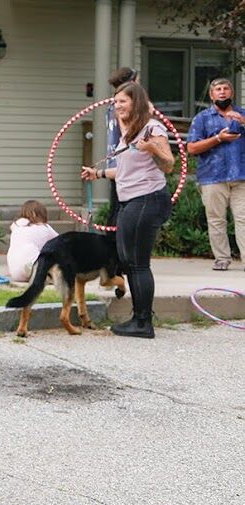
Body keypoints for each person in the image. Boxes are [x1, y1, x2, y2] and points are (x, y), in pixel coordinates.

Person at [82, 81, 175, 338]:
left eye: (122, 100)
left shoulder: (152, 128)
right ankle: (139, 318)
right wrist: (98, 173)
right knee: (129, 260)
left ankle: (143, 322)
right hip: (133, 200)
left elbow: (168, 164)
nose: (117, 105)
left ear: (136, 102)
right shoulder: (129, 133)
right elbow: (125, 171)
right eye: (115, 101)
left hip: (147, 199)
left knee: (137, 263)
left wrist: (152, 147)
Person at [186, 77, 245, 270]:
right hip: (212, 176)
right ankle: (222, 259)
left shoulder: (243, 114)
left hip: (241, 176)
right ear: (212, 95)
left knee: (243, 219)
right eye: (218, 89)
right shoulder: (202, 118)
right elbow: (192, 148)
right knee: (216, 219)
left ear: (232, 93)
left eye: (226, 88)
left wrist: (243, 122)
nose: (222, 92)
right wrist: (218, 138)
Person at [103, 67, 139, 226]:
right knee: (123, 208)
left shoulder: (113, 106)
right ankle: (117, 246)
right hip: (125, 163)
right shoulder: (124, 107)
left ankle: (115, 245)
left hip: (116, 163)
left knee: (118, 206)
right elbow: (130, 134)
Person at [6, 199, 59, 285]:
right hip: (32, 263)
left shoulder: (16, 226)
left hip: (15, 274)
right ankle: (43, 274)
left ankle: (29, 272)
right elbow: (60, 241)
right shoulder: (44, 227)